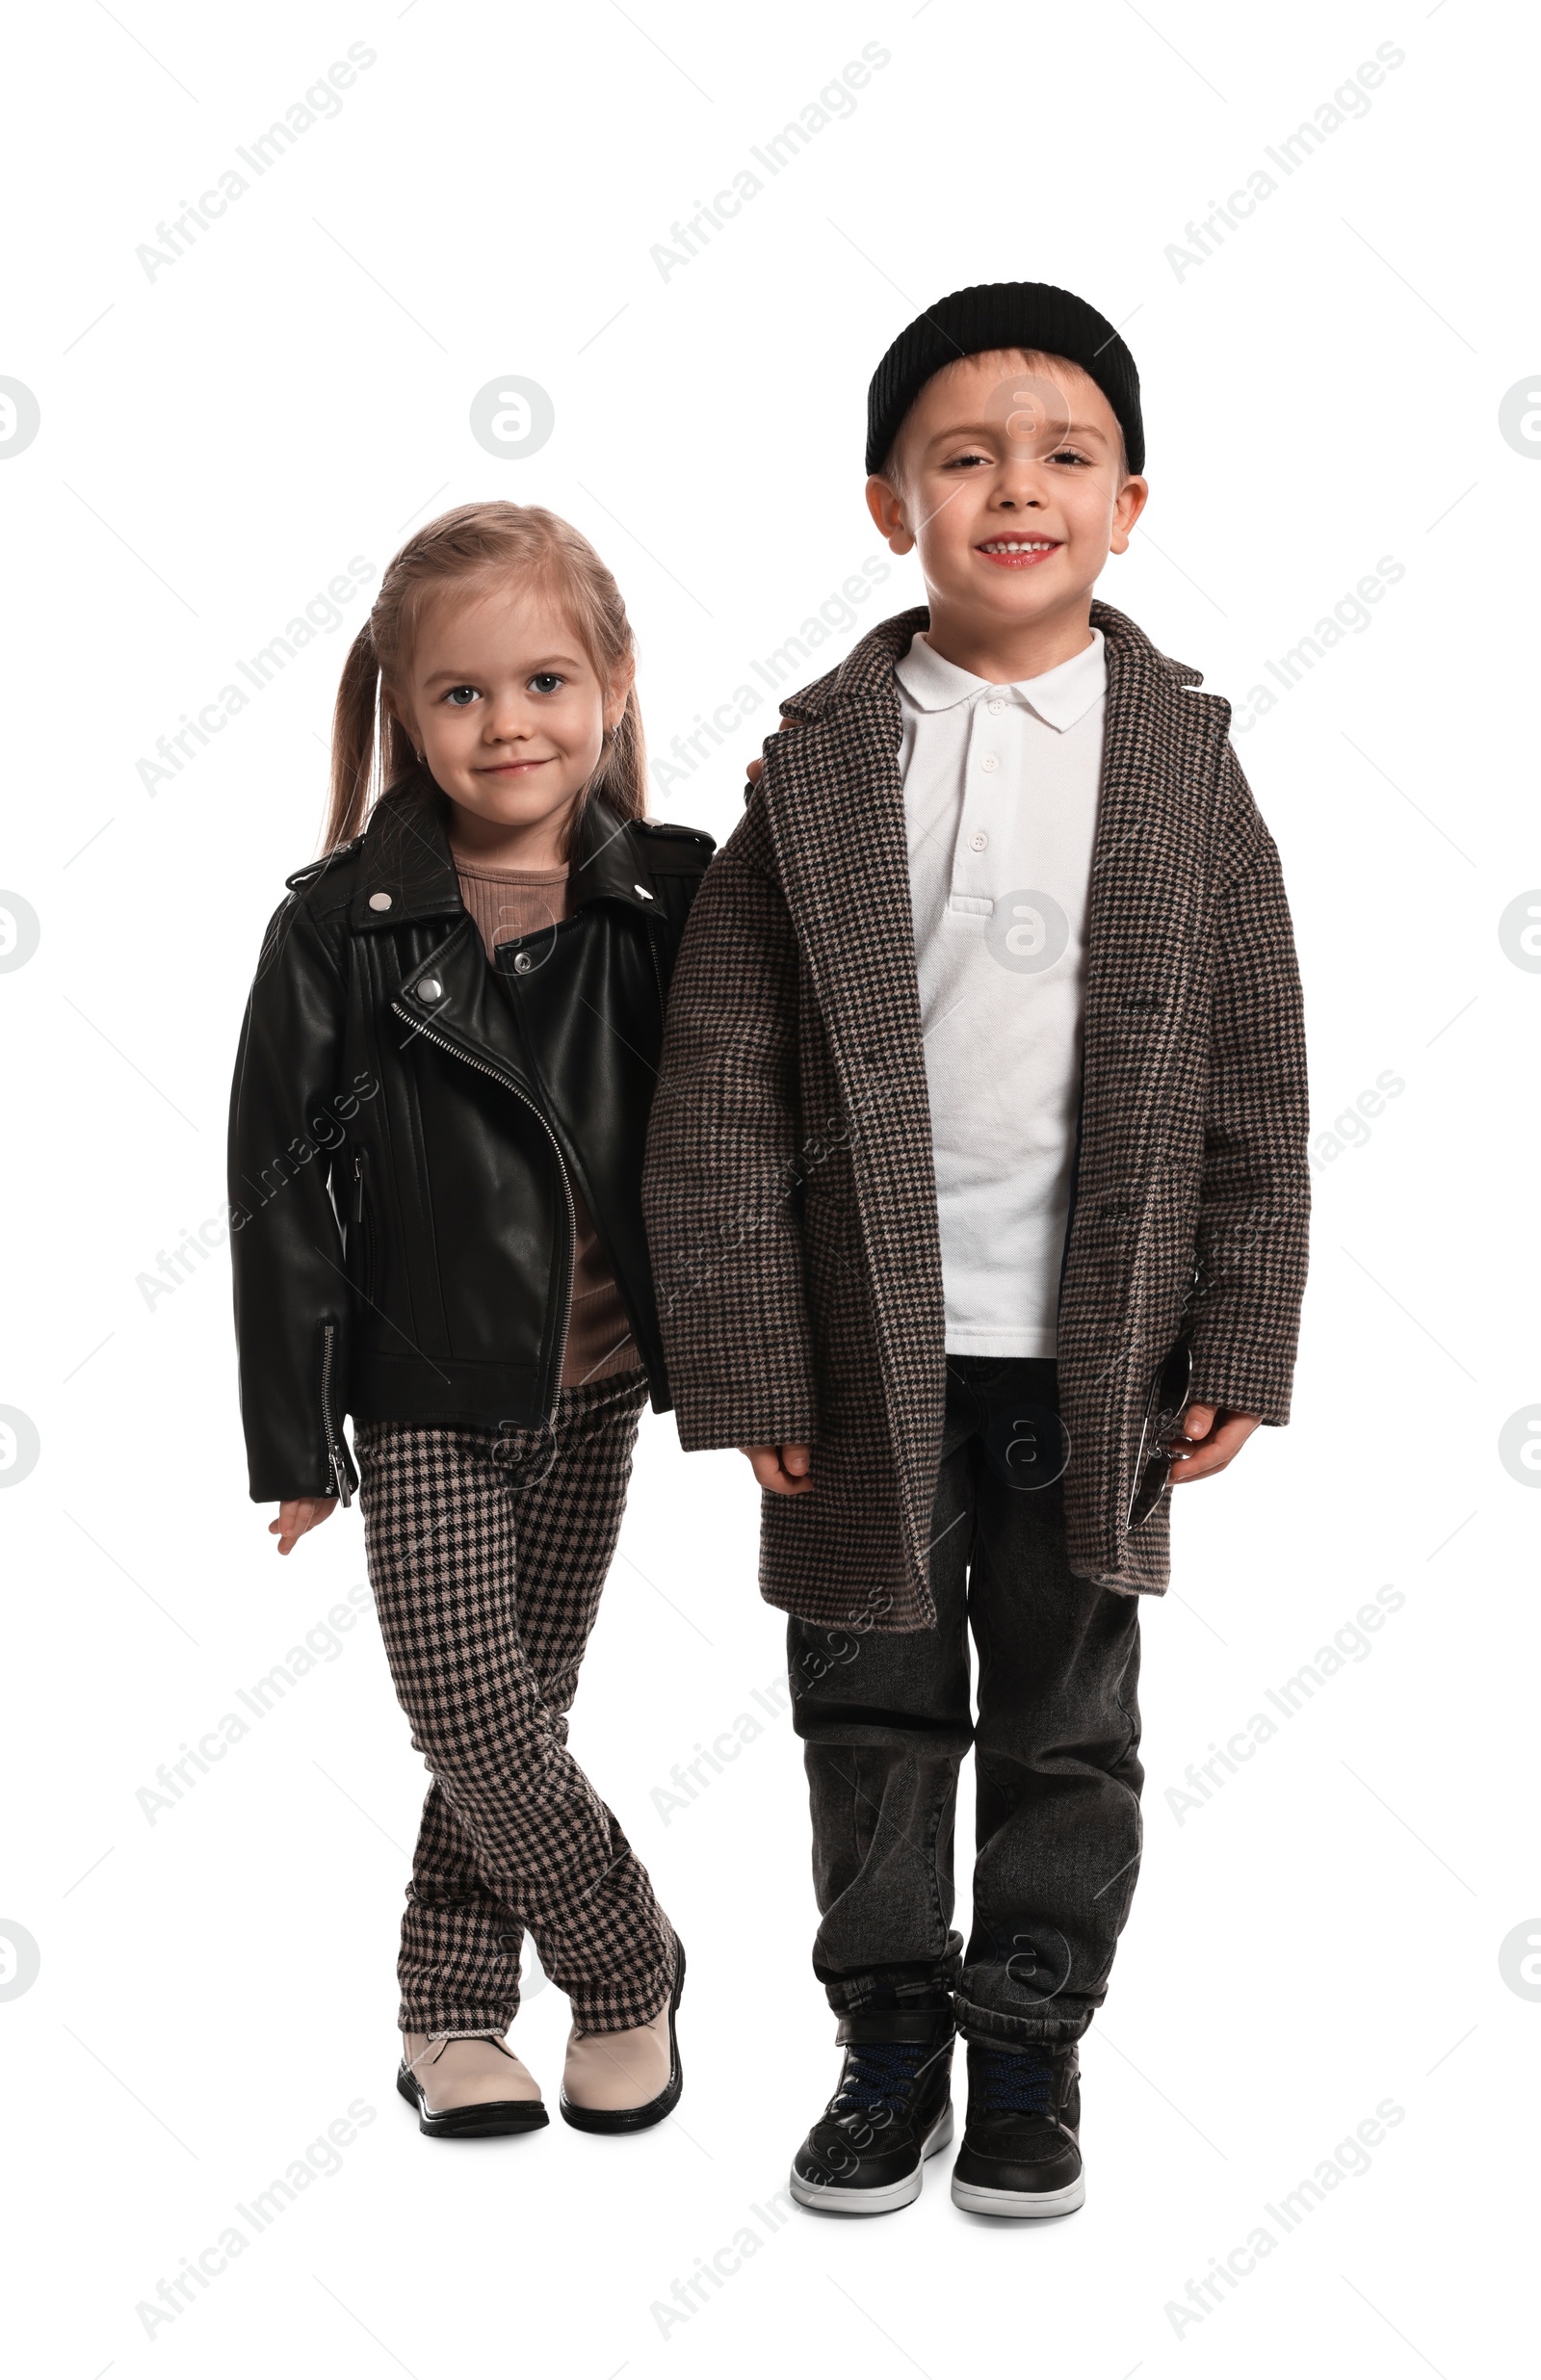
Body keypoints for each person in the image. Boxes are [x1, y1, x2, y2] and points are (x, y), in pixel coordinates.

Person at [642, 283, 1309, 2216]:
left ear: (1127, 504)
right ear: (886, 506)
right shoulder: (826, 758)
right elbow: (718, 1080)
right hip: (867, 1348)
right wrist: (748, 1361)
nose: (1013, 486)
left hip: (1092, 1342)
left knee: (1064, 1704)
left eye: (1060, 455)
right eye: (962, 457)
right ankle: (887, 2039)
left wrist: (1239, 1337)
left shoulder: (1182, 763)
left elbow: (1252, 1068)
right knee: (862, 1698)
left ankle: (1026, 2039)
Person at [228, 501, 712, 2140]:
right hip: (425, 1377)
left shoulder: (674, 899)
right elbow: (280, 1193)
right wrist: (297, 1435)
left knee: (520, 1709)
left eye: (547, 681)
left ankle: (449, 2020)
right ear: (400, 708)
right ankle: (628, 1957)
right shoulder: (337, 930)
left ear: (617, 684)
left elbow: (778, 1080)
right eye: (460, 696)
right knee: (466, 1700)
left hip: (599, 1381)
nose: (509, 725)